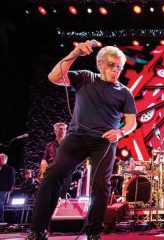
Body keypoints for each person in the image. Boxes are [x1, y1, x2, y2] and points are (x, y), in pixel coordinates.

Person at [26, 41, 137, 240]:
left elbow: (131, 122)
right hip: (76, 136)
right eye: (112, 65)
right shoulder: (85, 77)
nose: (116, 70)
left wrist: (120, 132)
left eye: (119, 67)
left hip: (104, 141)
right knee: (53, 174)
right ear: (100, 64)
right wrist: (76, 52)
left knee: (101, 184)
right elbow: (54, 76)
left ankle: (94, 232)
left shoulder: (124, 92)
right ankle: (37, 230)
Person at [0, 153, 15, 224]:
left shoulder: (10, 169)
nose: (0, 160)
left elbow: (12, 180)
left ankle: (1, 220)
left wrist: (9, 189)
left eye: (1, 158)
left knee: (0, 204)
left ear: (5, 160)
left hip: (3, 189)